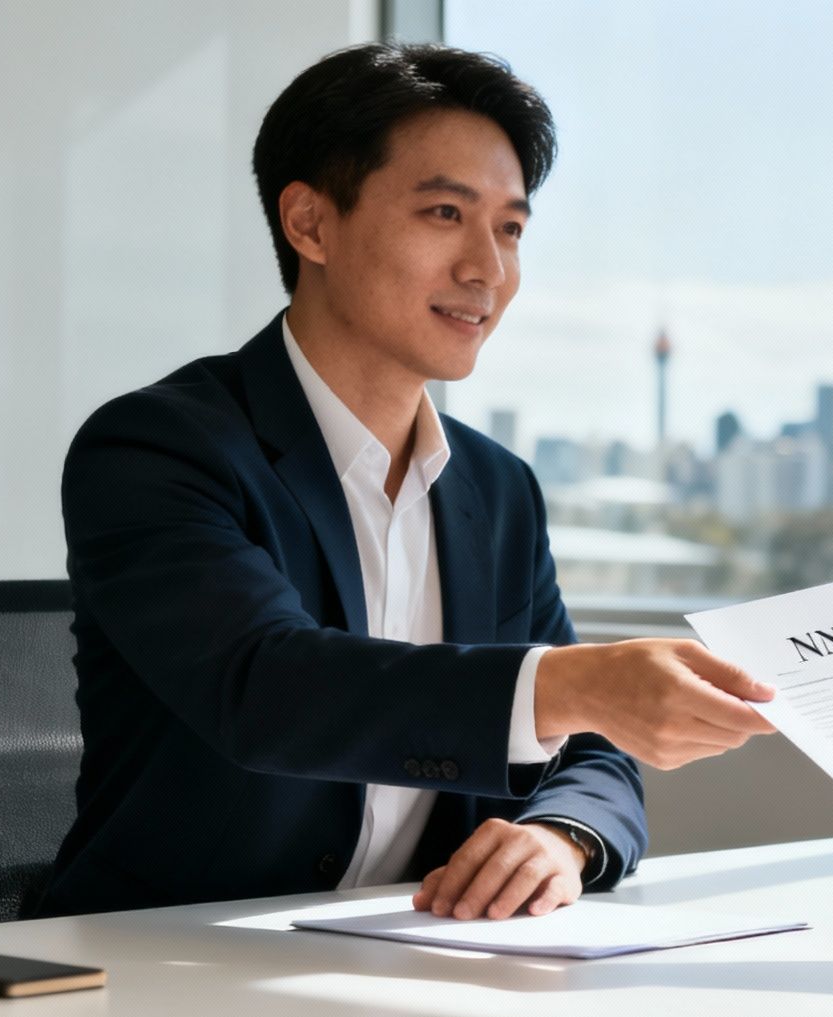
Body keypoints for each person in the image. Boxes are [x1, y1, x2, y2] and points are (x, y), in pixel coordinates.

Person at [38, 43, 779, 925]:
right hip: (161, 967)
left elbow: (591, 758)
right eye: (443, 213)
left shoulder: (498, 490)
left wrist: (561, 836)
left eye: (510, 229)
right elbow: (265, 690)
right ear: (310, 224)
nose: (488, 271)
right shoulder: (160, 447)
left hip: (408, 959)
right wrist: (576, 684)